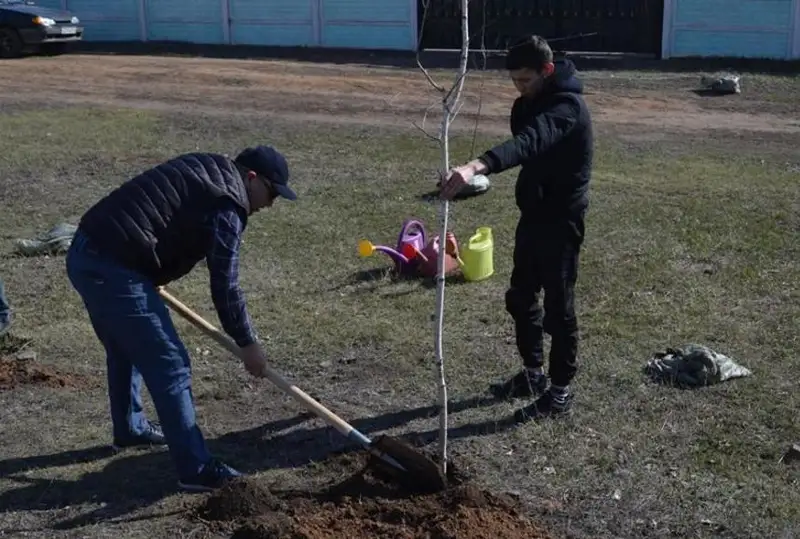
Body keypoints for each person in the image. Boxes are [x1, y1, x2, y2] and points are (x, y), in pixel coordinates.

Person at [66, 146, 297, 491]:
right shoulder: (227, 203)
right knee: (170, 363)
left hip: (89, 252)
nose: (270, 204)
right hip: (112, 266)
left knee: (125, 348)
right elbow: (225, 285)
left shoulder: (211, 167)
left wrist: (146, 269)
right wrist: (247, 342)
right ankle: (196, 470)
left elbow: (164, 214)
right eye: (271, 192)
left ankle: (130, 429)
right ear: (251, 178)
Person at [439, 35, 593, 420]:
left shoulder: (567, 108)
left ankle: (559, 393)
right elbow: (529, 146)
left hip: (562, 219)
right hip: (534, 214)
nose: (519, 89)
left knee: (559, 308)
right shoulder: (525, 104)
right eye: (514, 82)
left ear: (548, 70)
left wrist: (477, 165)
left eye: (526, 81)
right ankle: (532, 375)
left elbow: (530, 141)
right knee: (521, 297)